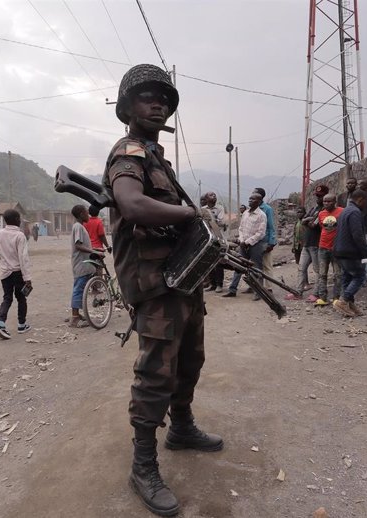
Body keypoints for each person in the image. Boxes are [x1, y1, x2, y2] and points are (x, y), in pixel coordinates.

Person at [102, 64, 222, 517]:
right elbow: (132, 205)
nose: (157, 103)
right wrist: (192, 217)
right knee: (155, 373)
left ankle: (182, 428)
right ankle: (143, 465)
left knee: (190, 359)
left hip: (180, 280)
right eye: (146, 96)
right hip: (154, 286)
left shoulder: (157, 158)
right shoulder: (128, 152)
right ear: (127, 106)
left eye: (163, 98)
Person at [0, 209, 32, 339]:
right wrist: (27, 278)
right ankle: (21, 325)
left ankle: (0, 323)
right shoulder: (20, 236)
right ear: (16, 220)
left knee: (7, 297)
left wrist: (3, 254)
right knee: (21, 298)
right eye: (19, 218)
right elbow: (23, 258)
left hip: (4, 272)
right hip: (18, 272)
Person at [333, 189, 367, 317]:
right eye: (365, 202)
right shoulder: (355, 212)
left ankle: (350, 304)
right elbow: (358, 236)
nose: (366, 205)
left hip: (340, 250)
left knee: (347, 277)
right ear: (360, 199)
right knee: (359, 276)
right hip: (350, 251)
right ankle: (344, 301)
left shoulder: (344, 211)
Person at [222, 192, 267, 300]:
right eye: (249, 199)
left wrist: (248, 242)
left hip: (255, 245)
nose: (250, 201)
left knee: (256, 268)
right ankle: (232, 290)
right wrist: (242, 240)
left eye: (253, 199)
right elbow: (241, 228)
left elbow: (261, 233)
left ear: (259, 202)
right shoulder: (246, 213)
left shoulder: (261, 215)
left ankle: (258, 292)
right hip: (243, 244)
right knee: (238, 266)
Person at [286, 185, 327, 301]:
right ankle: (298, 292)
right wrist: (310, 220)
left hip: (316, 244)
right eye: (317, 196)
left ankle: (317, 293)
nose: (317, 198)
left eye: (320, 196)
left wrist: (309, 220)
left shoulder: (324, 210)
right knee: (301, 268)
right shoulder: (314, 209)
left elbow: (314, 224)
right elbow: (304, 221)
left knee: (318, 270)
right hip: (307, 244)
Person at [69, 205, 103, 328]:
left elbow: (85, 246)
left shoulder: (80, 227)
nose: (88, 215)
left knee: (81, 289)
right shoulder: (78, 227)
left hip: (84, 264)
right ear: (80, 214)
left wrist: (96, 249)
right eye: (86, 213)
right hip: (81, 265)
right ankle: (74, 318)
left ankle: (77, 315)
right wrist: (93, 252)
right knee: (78, 289)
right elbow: (78, 245)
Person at [310, 193, 343, 305]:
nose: (326, 203)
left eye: (329, 201)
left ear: (335, 202)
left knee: (337, 274)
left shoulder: (341, 212)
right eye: (325, 201)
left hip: (337, 248)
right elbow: (321, 226)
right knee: (322, 273)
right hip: (323, 247)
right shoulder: (321, 214)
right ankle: (323, 298)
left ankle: (336, 298)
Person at [202, 192, 226, 293]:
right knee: (209, 261)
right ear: (206, 199)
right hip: (208, 238)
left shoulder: (220, 208)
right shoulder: (203, 209)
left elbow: (220, 222)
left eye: (215, 195)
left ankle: (219, 285)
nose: (214, 197)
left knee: (219, 261)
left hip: (218, 237)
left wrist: (210, 219)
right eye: (211, 195)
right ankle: (212, 284)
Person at [253, 187, 276, 290]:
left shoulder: (267, 209)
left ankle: (269, 287)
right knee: (254, 265)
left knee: (267, 265)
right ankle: (255, 285)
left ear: (260, 197)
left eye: (254, 193)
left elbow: (271, 226)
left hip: (264, 241)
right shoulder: (252, 209)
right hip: (253, 241)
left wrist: (271, 242)